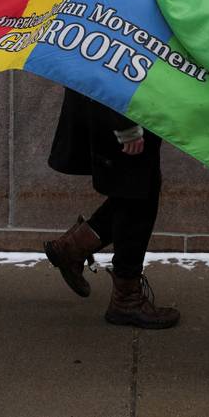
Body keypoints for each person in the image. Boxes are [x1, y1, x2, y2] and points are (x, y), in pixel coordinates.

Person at [43, 88, 179, 329]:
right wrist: (125, 125)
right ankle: (126, 299)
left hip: (123, 105)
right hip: (119, 107)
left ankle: (71, 249)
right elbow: (108, 66)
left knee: (138, 191)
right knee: (136, 195)